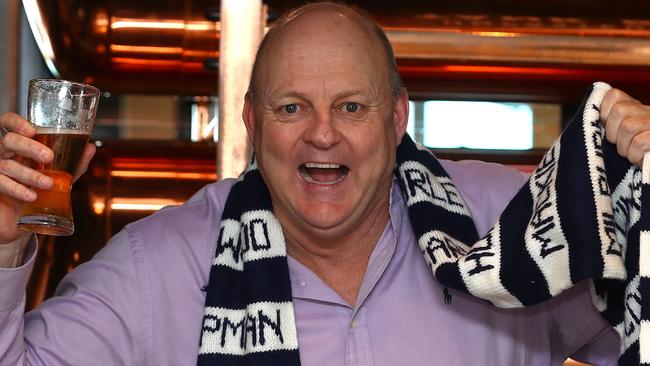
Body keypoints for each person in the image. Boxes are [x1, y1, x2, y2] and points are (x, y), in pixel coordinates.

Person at [0, 2, 648, 365]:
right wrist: (2, 246)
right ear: (252, 122)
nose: (322, 135)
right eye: (291, 108)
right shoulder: (159, 266)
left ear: (397, 118)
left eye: (351, 107)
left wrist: (643, 197)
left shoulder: (507, 223)